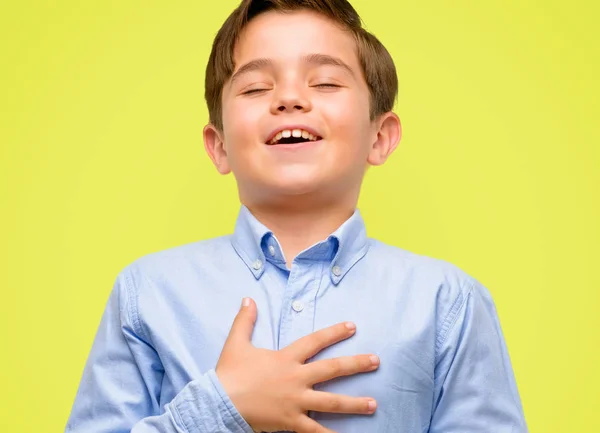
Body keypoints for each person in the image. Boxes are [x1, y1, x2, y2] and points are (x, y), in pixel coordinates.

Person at [65, 0, 528, 432]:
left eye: (325, 81)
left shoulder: (449, 303)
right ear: (219, 145)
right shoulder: (147, 292)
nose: (289, 98)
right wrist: (221, 408)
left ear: (380, 136)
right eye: (255, 86)